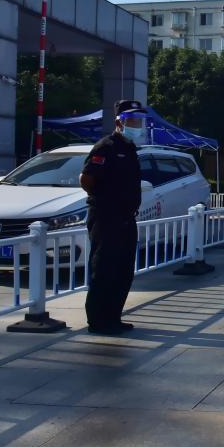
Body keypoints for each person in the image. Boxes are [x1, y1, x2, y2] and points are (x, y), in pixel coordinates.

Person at [78, 100, 145, 335]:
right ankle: (98, 321)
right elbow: (86, 179)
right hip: (106, 218)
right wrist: (106, 201)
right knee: (104, 268)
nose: (137, 125)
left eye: (140, 121)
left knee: (123, 269)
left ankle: (113, 317)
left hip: (126, 218)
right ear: (119, 122)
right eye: (132, 121)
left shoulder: (130, 148)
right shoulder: (105, 147)